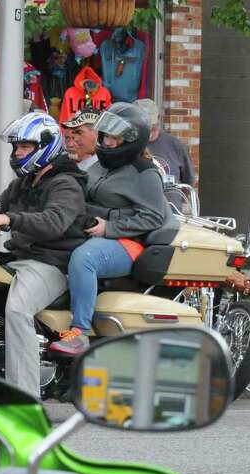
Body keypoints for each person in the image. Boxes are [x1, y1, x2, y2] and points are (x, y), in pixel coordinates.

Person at [51, 103, 177, 355]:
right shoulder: (101, 165)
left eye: (113, 138)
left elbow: (153, 217)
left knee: (84, 259)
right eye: (105, 135)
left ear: (131, 140)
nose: (106, 142)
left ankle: (79, 333)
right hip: (94, 232)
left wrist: (111, 226)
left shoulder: (145, 173)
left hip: (130, 243)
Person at [0, 112, 88, 397]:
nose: (17, 153)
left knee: (17, 309)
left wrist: (10, 219)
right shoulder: (25, 182)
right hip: (22, 258)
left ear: (46, 146)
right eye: (16, 147)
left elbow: (54, 222)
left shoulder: (66, 183)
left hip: (51, 263)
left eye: (24, 147)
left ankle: (24, 397)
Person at [135, 98, 195, 210]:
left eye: (152, 124)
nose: (150, 128)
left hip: (172, 214)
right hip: (139, 214)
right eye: (145, 125)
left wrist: (178, 202)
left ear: (158, 118)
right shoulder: (129, 145)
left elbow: (188, 180)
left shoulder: (175, 144)